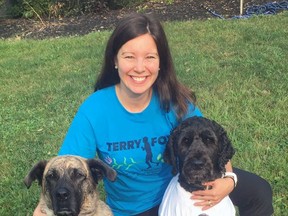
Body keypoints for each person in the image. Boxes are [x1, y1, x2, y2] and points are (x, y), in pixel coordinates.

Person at [34, 13, 273, 216]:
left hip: (184, 183)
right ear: (115, 60)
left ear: (161, 63)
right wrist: (43, 208)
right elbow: (61, 172)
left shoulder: (175, 99)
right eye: (129, 56)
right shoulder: (95, 110)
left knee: (260, 191)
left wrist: (229, 180)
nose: (140, 67)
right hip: (135, 208)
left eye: (150, 57)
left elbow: (211, 139)